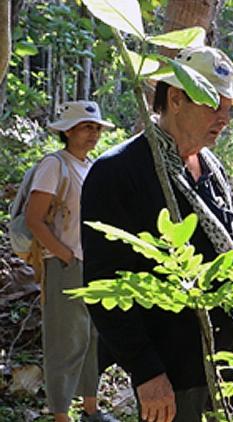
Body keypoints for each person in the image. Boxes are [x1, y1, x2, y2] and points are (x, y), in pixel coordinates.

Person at [81, 46, 233, 422]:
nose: (224, 118)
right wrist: (146, 371)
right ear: (176, 99)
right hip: (175, 367)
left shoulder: (211, 166)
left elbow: (216, 240)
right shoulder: (118, 172)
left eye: (228, 108)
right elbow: (104, 285)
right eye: (213, 104)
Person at [27, 101, 117, 422]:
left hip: (91, 264)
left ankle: (91, 408)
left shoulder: (89, 166)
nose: (94, 133)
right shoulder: (55, 165)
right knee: (65, 341)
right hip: (64, 263)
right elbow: (34, 218)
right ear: (67, 131)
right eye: (86, 127)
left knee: (91, 337)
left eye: (96, 127)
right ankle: (61, 414)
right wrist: (64, 255)